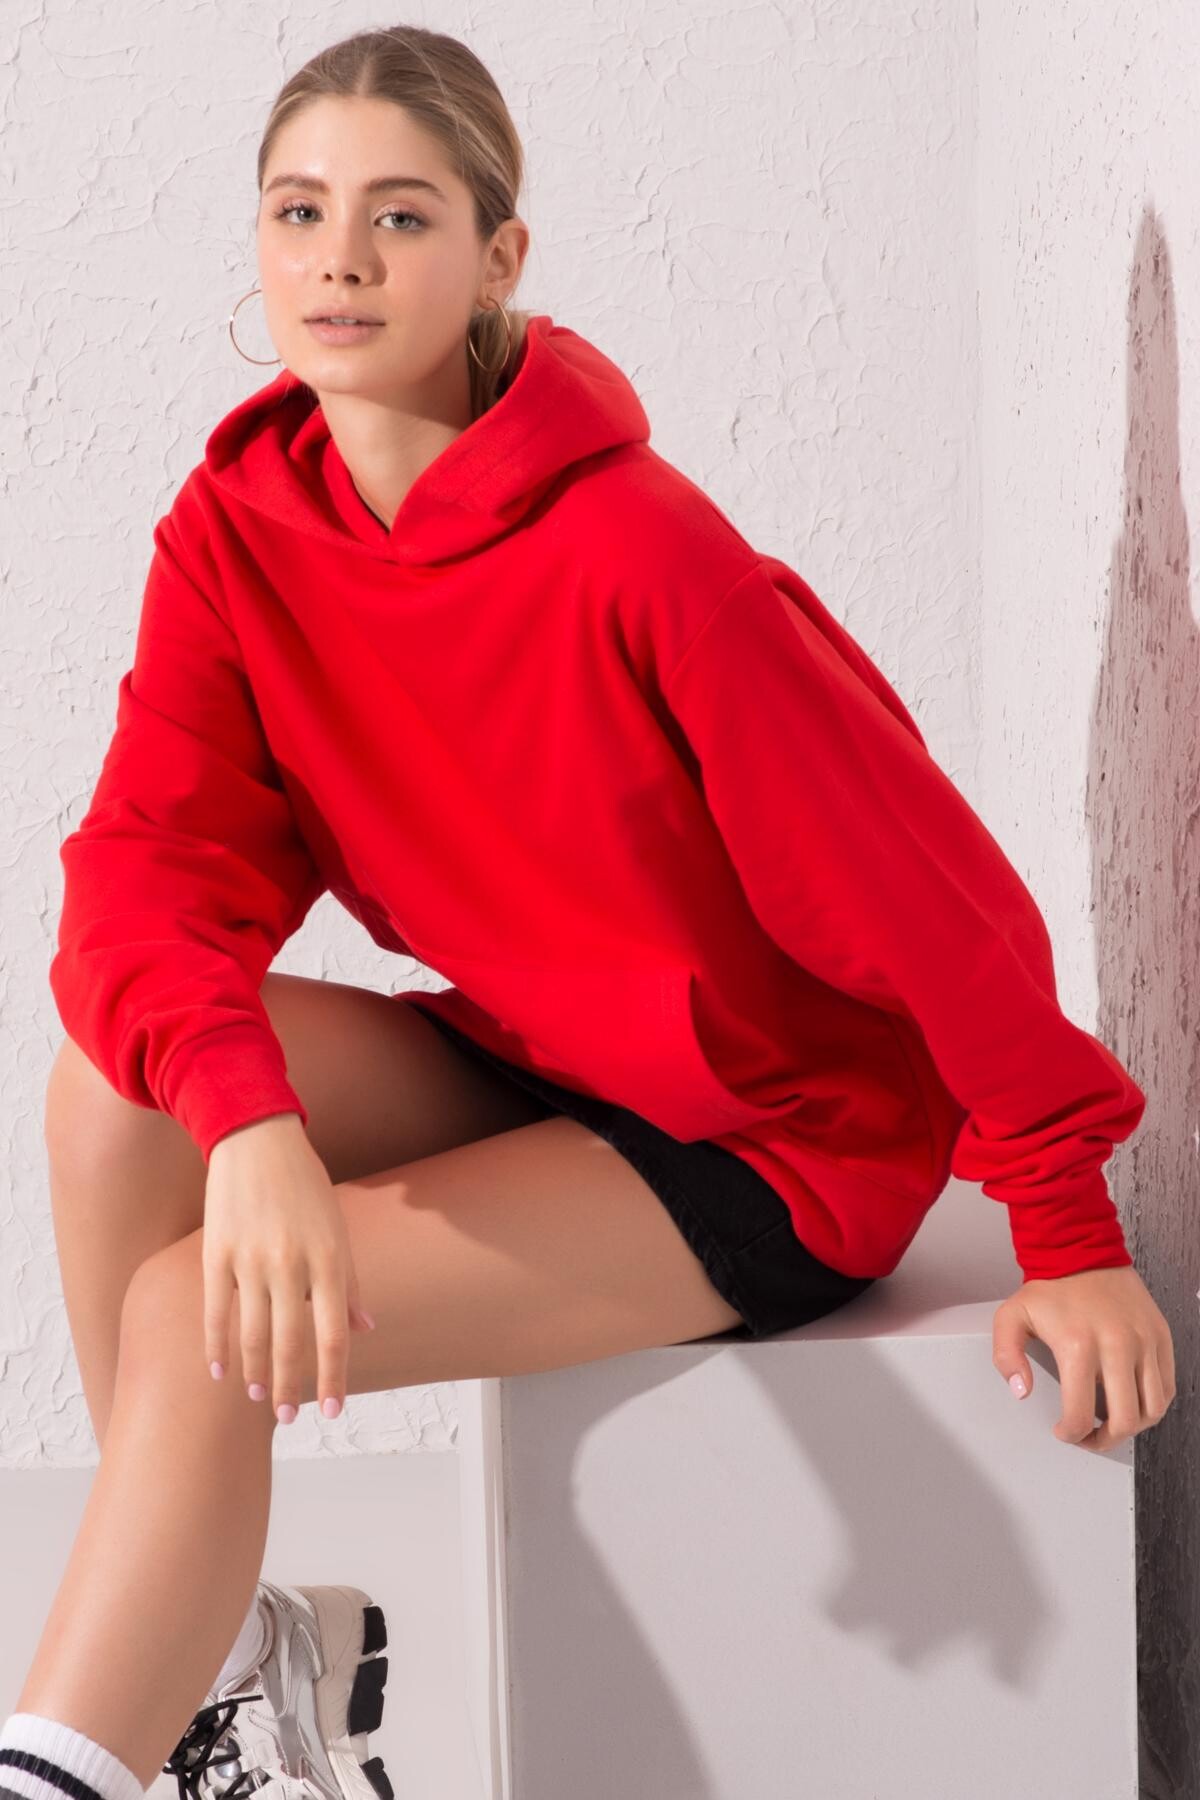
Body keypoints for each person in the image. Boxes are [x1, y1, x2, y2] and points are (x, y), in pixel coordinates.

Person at [1, 23, 1175, 1800]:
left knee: (189, 1318)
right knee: (116, 1099)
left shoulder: (639, 549)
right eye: (300, 211)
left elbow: (925, 896)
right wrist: (246, 1125)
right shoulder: (237, 533)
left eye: (401, 216)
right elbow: (146, 874)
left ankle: (69, 1769)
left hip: (775, 1128)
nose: (339, 258)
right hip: (547, 1060)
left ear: (499, 257)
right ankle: (229, 1670)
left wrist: (1067, 1226)